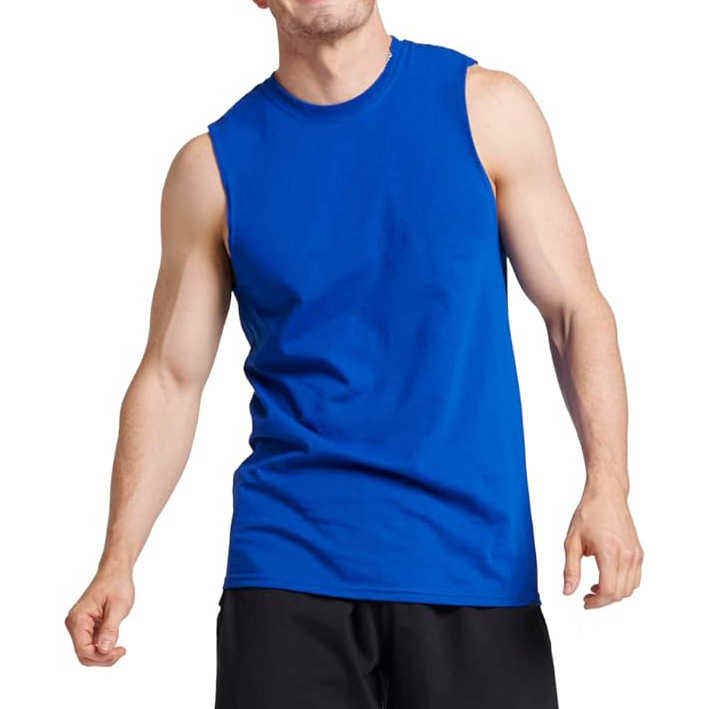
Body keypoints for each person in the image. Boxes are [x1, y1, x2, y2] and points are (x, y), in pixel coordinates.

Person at [65, 1, 643, 706]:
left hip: (472, 563)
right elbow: (170, 377)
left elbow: (574, 311)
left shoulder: (485, 111)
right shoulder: (212, 168)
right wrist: (117, 558)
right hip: (287, 570)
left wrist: (607, 486)